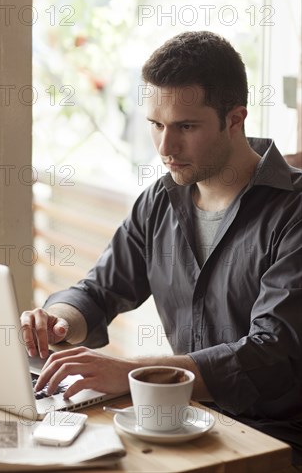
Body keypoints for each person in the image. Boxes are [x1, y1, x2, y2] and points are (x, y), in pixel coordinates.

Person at [21, 31, 302, 466]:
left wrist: (137, 374)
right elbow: (99, 291)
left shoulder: (293, 213)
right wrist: (57, 323)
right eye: (156, 125)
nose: (166, 149)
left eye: (186, 127)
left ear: (235, 118)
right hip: (182, 422)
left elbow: (272, 353)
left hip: (276, 439)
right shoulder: (160, 201)